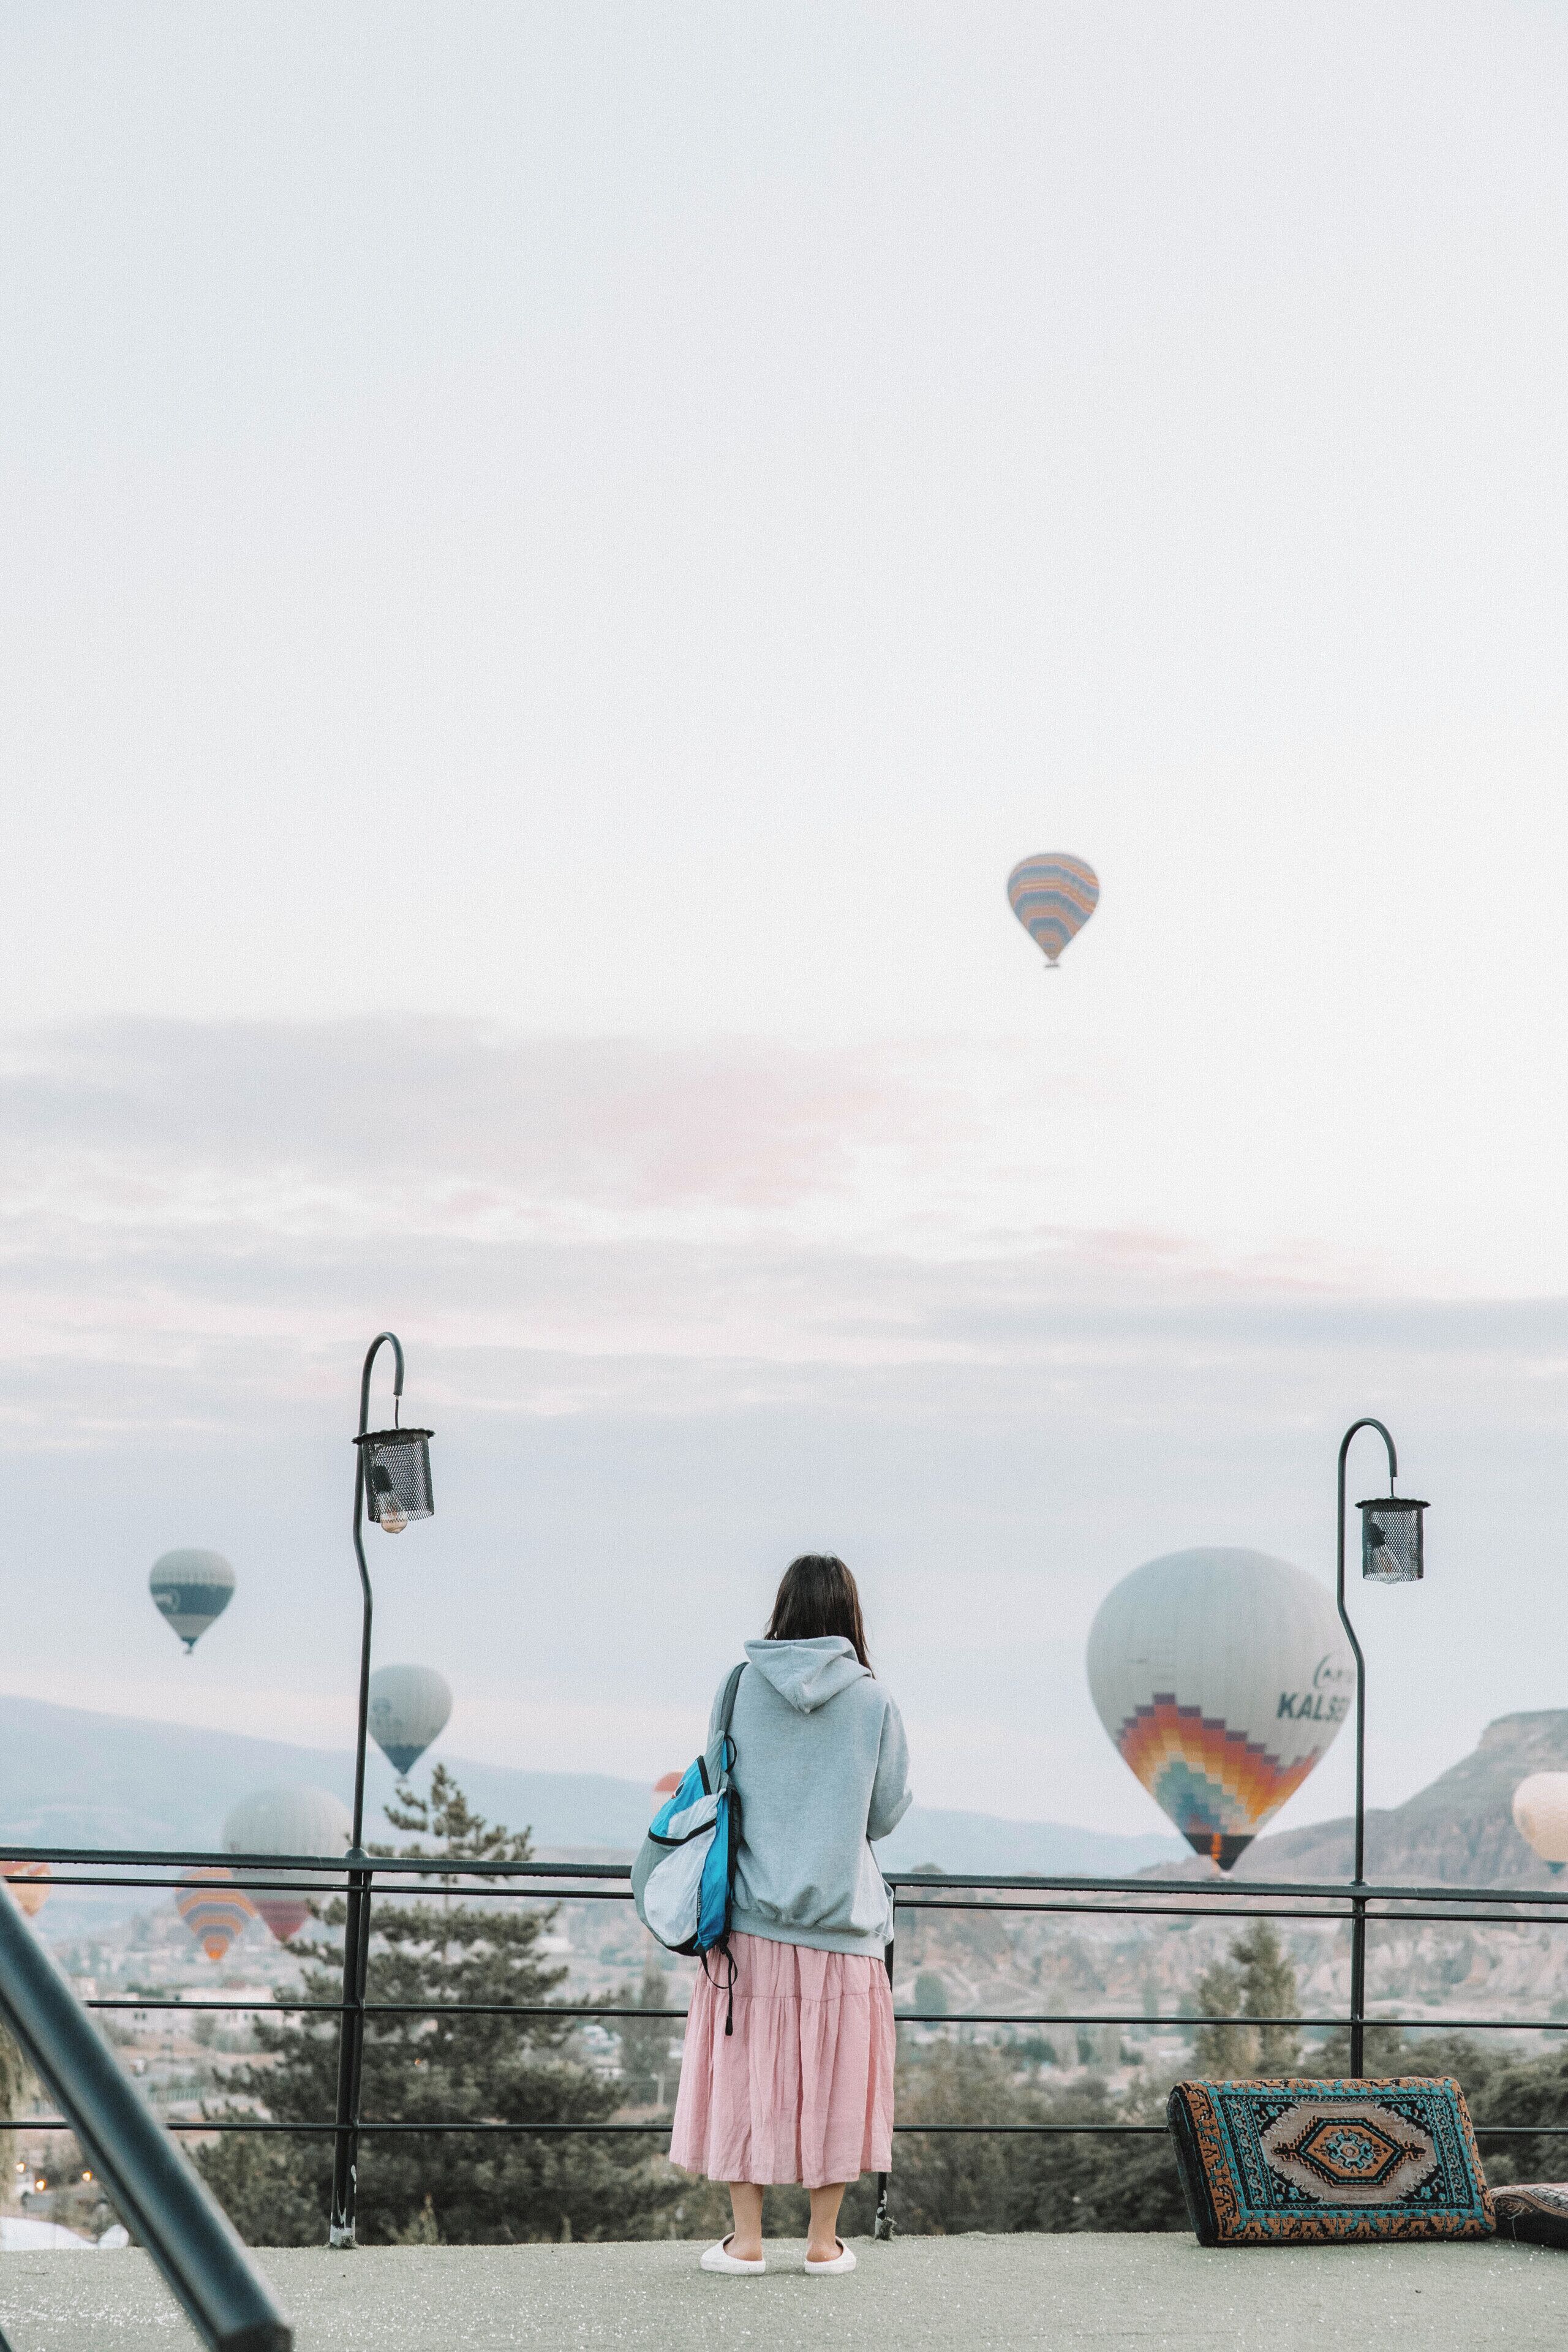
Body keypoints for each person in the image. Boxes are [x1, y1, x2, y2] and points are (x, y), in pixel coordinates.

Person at [669, 1552, 911, 2275]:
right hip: (842, 1925)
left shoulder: (738, 1686)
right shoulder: (873, 1701)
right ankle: (822, 2243)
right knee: (836, 2080)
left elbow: (716, 1783)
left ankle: (746, 2241)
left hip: (747, 1922)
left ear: (782, 1606)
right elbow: (883, 1815)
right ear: (850, 1614)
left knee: (745, 2076)